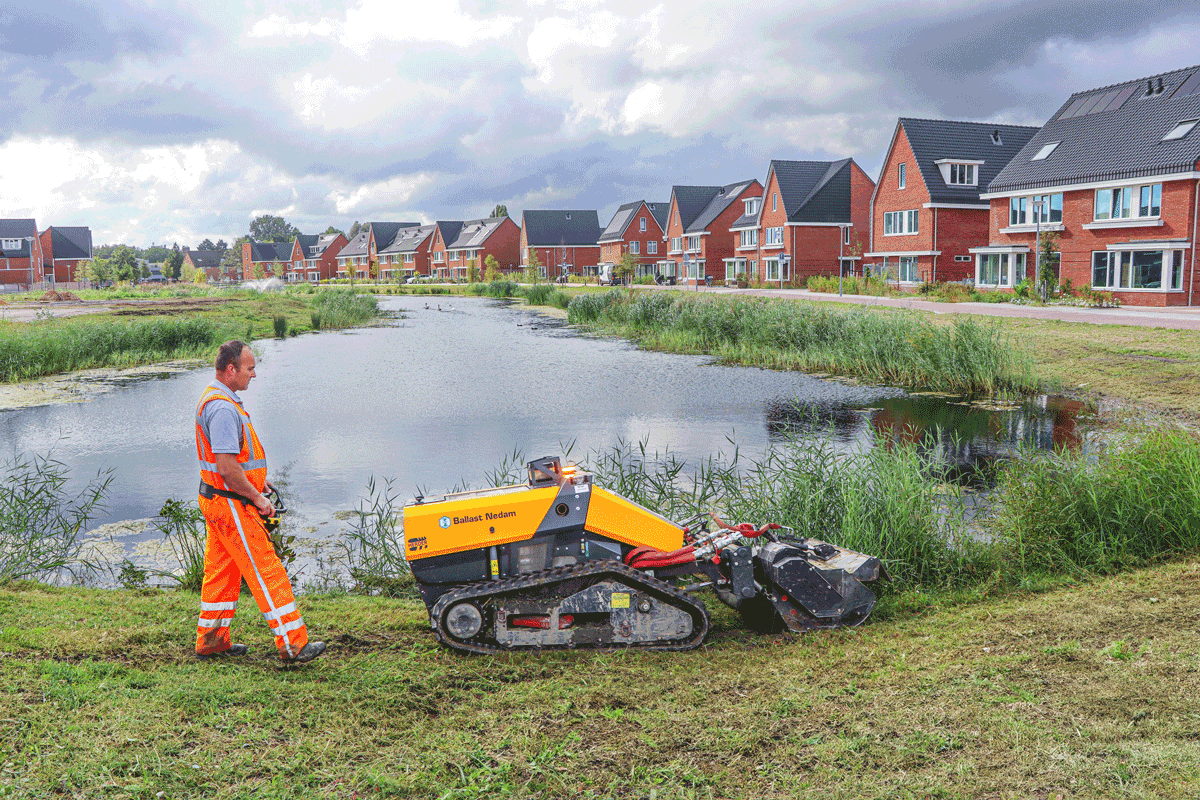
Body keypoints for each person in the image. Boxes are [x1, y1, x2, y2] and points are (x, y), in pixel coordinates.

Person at [194, 340, 325, 664]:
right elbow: (227, 467)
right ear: (231, 369)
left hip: (217, 500)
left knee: (221, 573)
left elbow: (233, 462)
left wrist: (257, 481)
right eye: (250, 369)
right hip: (232, 504)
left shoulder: (219, 400)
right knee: (267, 569)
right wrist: (256, 497)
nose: (254, 375)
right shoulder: (223, 408)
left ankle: (212, 642)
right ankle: (294, 645)